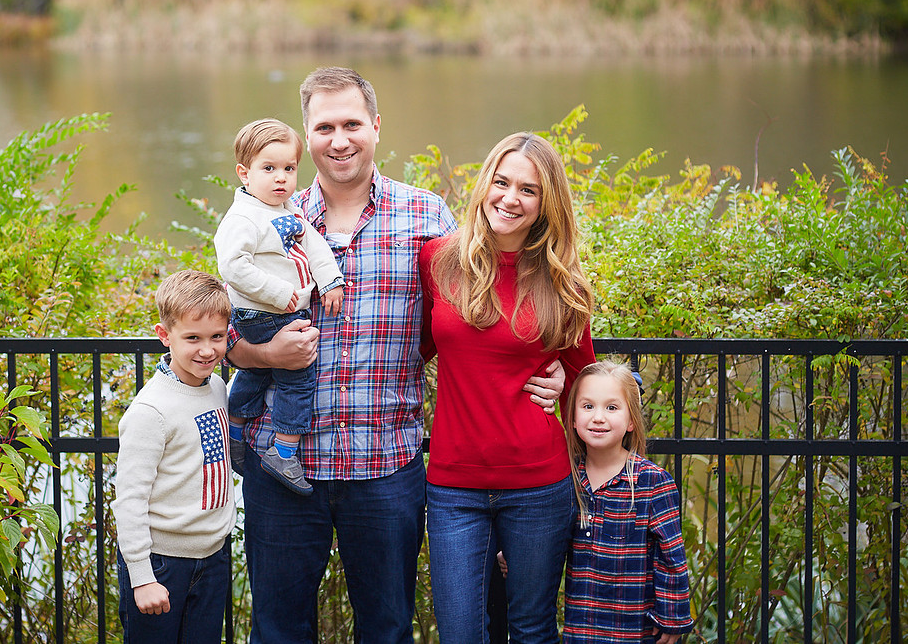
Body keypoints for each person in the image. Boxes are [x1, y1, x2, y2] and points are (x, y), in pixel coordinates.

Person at [226, 67, 568, 643]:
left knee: (388, 629)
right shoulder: (261, 218)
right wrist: (264, 357)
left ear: (377, 127)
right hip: (283, 463)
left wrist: (545, 367)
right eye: (325, 126)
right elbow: (217, 334)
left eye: (352, 124)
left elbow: (481, 315)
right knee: (278, 630)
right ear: (306, 135)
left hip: (385, 467)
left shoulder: (426, 217)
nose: (340, 140)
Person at [419, 131, 597, 643]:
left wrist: (565, 379)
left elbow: (584, 380)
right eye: (501, 182)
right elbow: (417, 349)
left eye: (528, 190)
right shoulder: (438, 261)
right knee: (460, 632)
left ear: (546, 205)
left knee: (532, 630)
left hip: (539, 485)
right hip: (453, 485)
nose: (510, 198)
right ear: (485, 185)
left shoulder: (564, 283)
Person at [215, 118, 344, 495]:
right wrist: (278, 292)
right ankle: (283, 451)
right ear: (244, 173)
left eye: (288, 168)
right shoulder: (243, 217)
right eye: (268, 169)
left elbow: (315, 245)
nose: (281, 178)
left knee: (258, 373)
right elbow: (232, 266)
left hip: (277, 309)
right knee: (299, 374)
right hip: (263, 311)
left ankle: (235, 427)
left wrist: (330, 280)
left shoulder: (285, 208)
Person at [112, 269, 236, 644]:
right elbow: (130, 499)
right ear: (165, 336)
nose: (207, 350)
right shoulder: (151, 410)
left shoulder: (216, 386)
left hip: (213, 555)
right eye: (192, 338)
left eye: (217, 337)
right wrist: (142, 576)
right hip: (161, 563)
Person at [562, 361, 693, 643]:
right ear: (572, 417)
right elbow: (542, 534)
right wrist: (517, 554)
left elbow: (671, 557)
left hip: (634, 630)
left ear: (631, 420)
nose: (598, 417)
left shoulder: (652, 482)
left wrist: (672, 618)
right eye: (588, 407)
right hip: (580, 629)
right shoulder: (566, 478)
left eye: (611, 407)